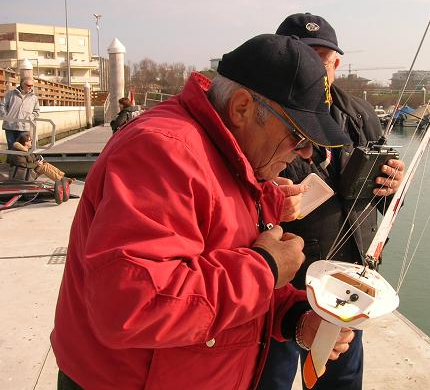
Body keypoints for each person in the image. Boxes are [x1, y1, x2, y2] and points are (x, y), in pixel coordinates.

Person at [51, 34, 357, 390]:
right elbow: (130, 307)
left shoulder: (235, 156)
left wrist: (293, 317)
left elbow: (224, 268)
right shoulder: (163, 151)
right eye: (298, 136)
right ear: (242, 107)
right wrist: (267, 268)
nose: (306, 154)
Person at [258, 13, 406, 390]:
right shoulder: (260, 117)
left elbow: (383, 195)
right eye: (302, 55)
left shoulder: (360, 114)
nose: (314, 66)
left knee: (338, 377)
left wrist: (392, 188)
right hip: (280, 280)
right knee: (269, 375)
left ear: (336, 64)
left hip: (344, 279)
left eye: (322, 57)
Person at [7, 132, 72, 204]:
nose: (31, 141)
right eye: (30, 140)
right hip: (24, 175)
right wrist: (36, 164)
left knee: (45, 164)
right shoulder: (19, 153)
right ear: (25, 142)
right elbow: (24, 165)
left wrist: (39, 159)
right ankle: (61, 181)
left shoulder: (26, 150)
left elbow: (33, 158)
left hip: (29, 171)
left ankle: (63, 177)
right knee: (43, 168)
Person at [1, 78, 40, 149]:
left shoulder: (34, 98)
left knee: (23, 149)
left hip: (24, 128)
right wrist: (5, 116)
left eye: (31, 85)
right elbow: (2, 105)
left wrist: (30, 117)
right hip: (10, 127)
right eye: (28, 85)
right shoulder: (10, 94)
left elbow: (37, 111)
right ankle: (10, 160)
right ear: (22, 84)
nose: (30, 87)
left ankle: (22, 160)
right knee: (11, 147)